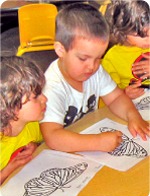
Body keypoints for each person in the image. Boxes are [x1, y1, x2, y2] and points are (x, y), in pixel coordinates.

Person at [40, 3, 149, 154]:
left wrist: (133, 116)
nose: (92, 66)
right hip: (60, 151)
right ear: (60, 50)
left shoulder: (94, 71)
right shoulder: (51, 86)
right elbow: (52, 137)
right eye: (83, 58)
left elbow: (116, 98)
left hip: (87, 135)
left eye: (98, 58)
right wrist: (97, 142)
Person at [0, 56, 47, 185]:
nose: (45, 99)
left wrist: (36, 146)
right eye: (36, 96)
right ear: (12, 107)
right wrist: (7, 170)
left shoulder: (34, 124)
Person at [101, 0, 150, 100]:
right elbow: (108, 93)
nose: (149, 39)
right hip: (136, 102)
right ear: (122, 32)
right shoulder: (111, 58)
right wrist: (124, 93)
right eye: (143, 36)